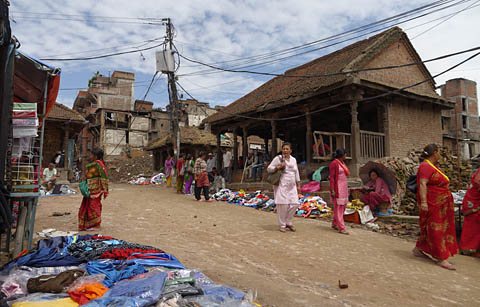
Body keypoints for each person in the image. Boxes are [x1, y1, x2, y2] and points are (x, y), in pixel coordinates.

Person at [412, 144, 458, 270]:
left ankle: (419, 249)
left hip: (440, 203)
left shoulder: (432, 166)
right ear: (435, 153)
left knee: (430, 228)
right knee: (435, 229)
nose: (440, 155)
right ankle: (441, 257)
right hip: (432, 203)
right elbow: (422, 184)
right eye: (438, 152)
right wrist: (424, 202)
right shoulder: (425, 166)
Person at [267, 143, 301, 233]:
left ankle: (288, 222)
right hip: (282, 184)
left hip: (292, 185)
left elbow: (296, 172)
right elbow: (269, 169)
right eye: (284, 149)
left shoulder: (293, 160)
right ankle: (282, 224)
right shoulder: (278, 158)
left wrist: (298, 183)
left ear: (290, 150)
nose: (285, 151)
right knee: (283, 204)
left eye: (287, 149)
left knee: (295, 203)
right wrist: (278, 167)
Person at [78, 148, 108, 231]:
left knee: (93, 207)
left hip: (95, 190)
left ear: (95, 156)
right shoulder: (99, 164)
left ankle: (97, 225)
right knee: (88, 206)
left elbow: (100, 177)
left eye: (91, 155)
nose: (89, 156)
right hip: (92, 190)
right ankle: (87, 224)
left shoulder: (96, 165)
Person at [459, 167, 480, 257]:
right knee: (472, 226)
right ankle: (468, 248)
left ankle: (472, 248)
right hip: (473, 203)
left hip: (473, 201)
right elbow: (478, 182)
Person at [329, 148, 350, 235]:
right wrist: (332, 190)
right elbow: (332, 178)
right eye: (345, 154)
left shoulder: (342, 163)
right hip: (338, 188)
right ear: (342, 155)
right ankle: (341, 227)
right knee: (339, 208)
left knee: (343, 206)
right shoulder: (334, 163)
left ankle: (335, 222)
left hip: (344, 187)